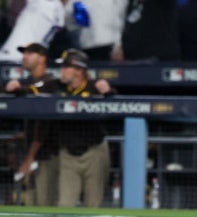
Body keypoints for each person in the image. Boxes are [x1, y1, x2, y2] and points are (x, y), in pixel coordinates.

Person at [54, 49, 115, 207]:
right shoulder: (58, 87)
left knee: (93, 206)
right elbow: (35, 90)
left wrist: (108, 91)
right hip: (68, 155)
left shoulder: (94, 87)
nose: (62, 71)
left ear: (79, 70)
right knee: (64, 206)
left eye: (66, 67)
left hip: (94, 153)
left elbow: (115, 100)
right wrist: (19, 88)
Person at [4, 43, 59, 206]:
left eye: (30, 53)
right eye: (23, 53)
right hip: (36, 156)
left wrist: (30, 157)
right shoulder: (31, 82)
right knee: (31, 205)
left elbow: (43, 124)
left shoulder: (50, 82)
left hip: (48, 156)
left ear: (42, 58)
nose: (24, 57)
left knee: (44, 206)